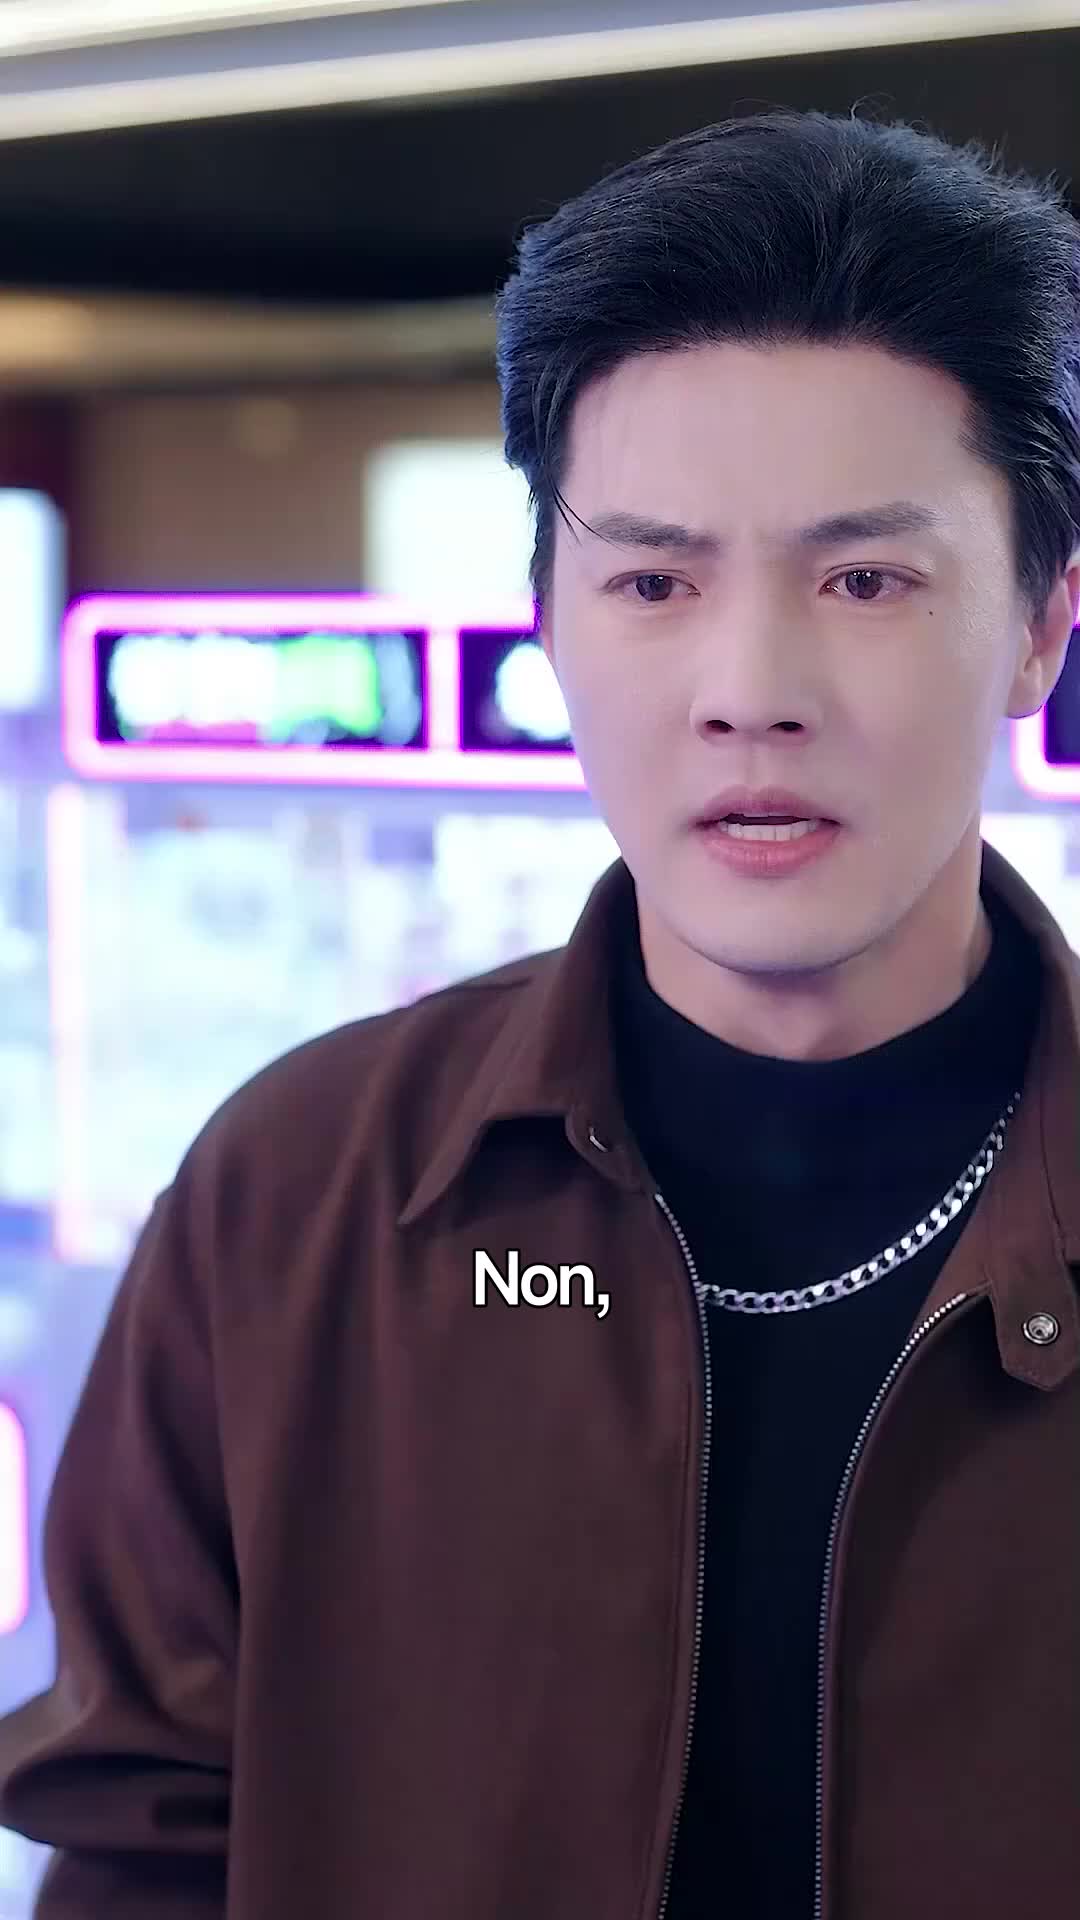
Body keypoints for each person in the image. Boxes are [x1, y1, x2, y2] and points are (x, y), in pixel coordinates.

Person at [1, 103, 1079, 1920]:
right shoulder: (296, 1200)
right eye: (654, 581)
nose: (751, 688)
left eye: (866, 581)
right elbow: (143, 1850)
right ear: (550, 623)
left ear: (1043, 627)